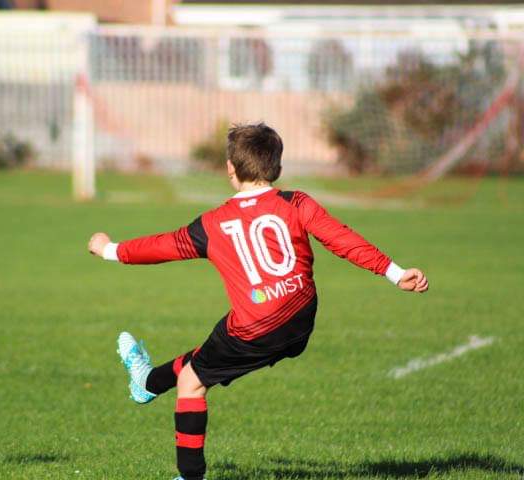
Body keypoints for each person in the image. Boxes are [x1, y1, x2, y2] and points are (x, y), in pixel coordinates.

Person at [87, 123, 429, 480]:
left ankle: (189, 476)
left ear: (231, 170)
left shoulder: (212, 224)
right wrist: (394, 272)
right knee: (209, 357)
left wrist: (109, 249)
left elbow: (162, 246)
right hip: (300, 318)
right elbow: (341, 239)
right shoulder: (297, 203)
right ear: (277, 168)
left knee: (192, 381)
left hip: (253, 326)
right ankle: (147, 382)